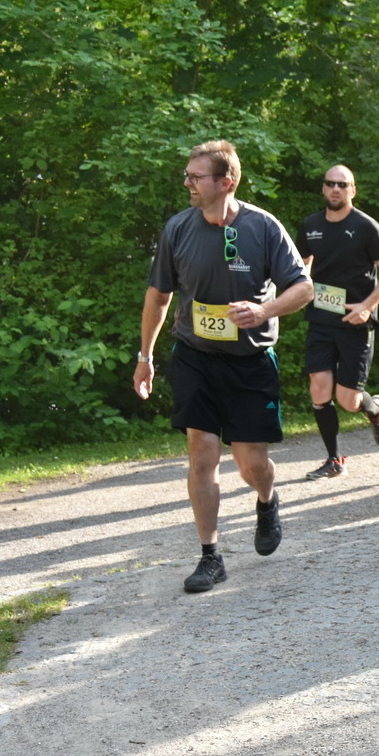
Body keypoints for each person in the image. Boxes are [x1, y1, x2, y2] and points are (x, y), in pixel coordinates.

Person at [134, 140, 314, 593]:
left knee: (251, 461)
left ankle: (267, 499)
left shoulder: (263, 227)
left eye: (196, 177)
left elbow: (304, 288)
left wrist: (264, 311)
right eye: (188, 176)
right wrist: (145, 357)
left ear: (225, 182)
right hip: (195, 356)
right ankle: (210, 556)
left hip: (251, 360)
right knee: (202, 454)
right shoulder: (178, 229)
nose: (188, 183)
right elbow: (158, 297)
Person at [296, 165, 379, 480]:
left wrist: (368, 306)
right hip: (321, 318)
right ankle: (334, 459)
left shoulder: (366, 226)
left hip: (356, 320)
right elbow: (301, 265)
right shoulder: (310, 225)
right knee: (319, 387)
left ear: (353, 190)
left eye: (343, 184)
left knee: (348, 399)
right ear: (323, 189)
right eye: (330, 184)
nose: (336, 189)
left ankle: (375, 409)